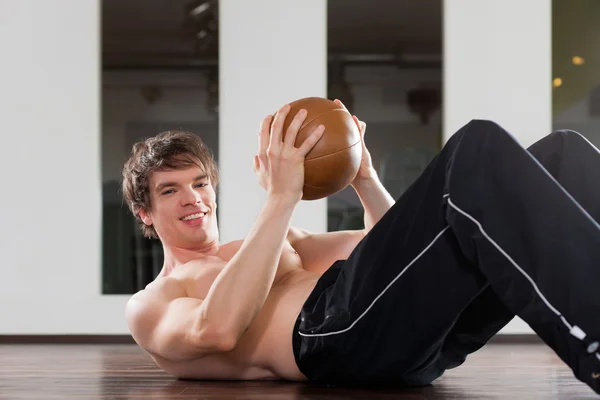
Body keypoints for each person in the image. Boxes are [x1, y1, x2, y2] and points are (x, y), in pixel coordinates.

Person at [122, 101, 600, 395]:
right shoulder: (153, 302)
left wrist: (365, 179)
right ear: (144, 211)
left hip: (409, 340)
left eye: (200, 183)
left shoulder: (269, 242)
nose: (193, 198)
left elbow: (391, 250)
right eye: (170, 190)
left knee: (565, 153)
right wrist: (282, 196)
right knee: (475, 145)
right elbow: (218, 331)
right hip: (331, 340)